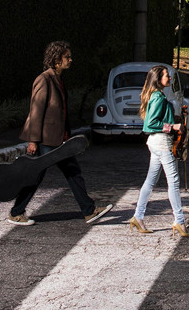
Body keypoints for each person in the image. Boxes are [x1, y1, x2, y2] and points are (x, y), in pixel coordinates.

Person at [7, 41, 113, 226]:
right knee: (62, 173)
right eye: (67, 57)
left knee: (63, 173)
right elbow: (36, 111)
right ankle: (87, 211)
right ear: (56, 60)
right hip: (46, 139)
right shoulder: (44, 79)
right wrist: (33, 141)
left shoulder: (57, 79)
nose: (71, 60)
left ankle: (88, 211)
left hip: (57, 138)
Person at [130, 65, 189, 237]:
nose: (170, 78)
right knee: (173, 181)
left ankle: (138, 216)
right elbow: (149, 125)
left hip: (155, 143)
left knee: (150, 181)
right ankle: (179, 221)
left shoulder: (156, 95)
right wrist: (172, 125)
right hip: (162, 143)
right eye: (166, 76)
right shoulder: (158, 97)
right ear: (158, 79)